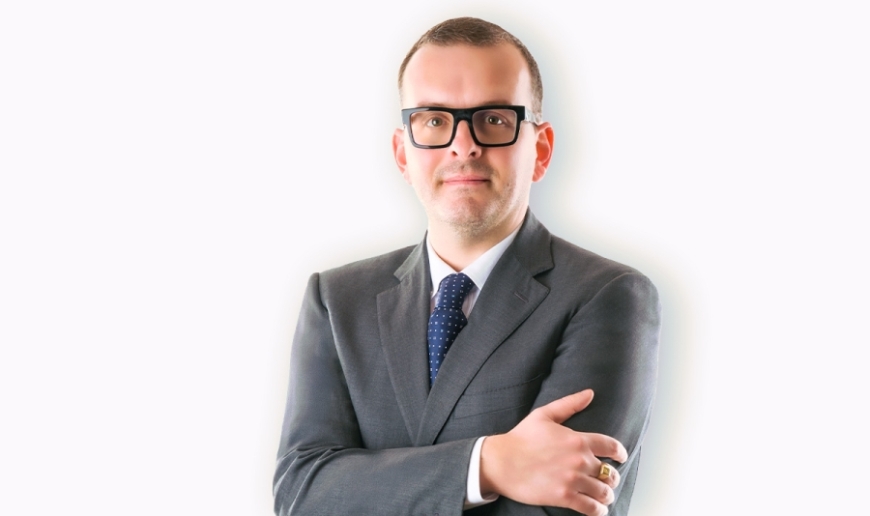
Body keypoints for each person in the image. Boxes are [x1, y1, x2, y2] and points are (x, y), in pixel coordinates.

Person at [274, 17, 660, 516]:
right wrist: (486, 464)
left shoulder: (609, 295)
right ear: (403, 153)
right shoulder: (336, 299)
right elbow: (301, 492)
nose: (463, 145)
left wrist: (366, 486)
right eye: (434, 121)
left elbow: (562, 508)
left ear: (540, 150)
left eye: (494, 119)